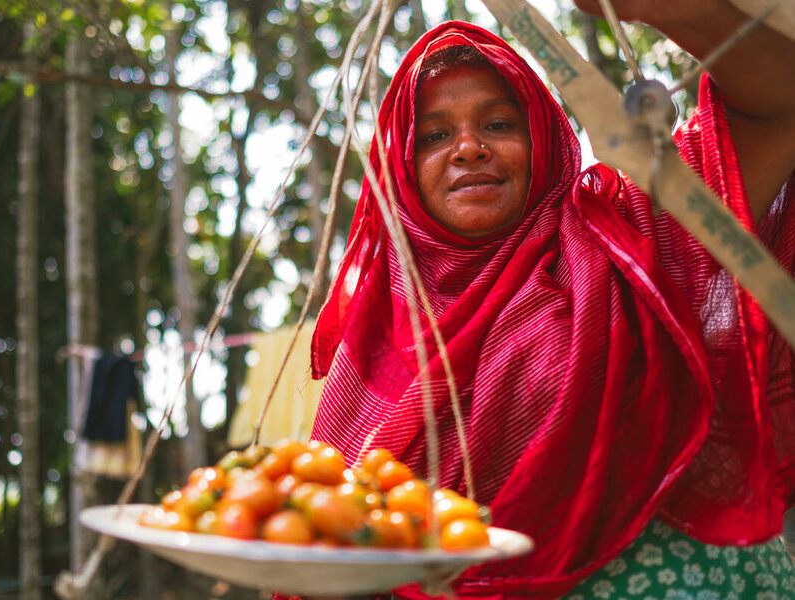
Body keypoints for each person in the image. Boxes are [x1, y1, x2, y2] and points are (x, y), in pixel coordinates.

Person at [307, 0, 795, 598]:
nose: (468, 149)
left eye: (498, 124)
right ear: (402, 167)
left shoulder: (630, 236)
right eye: (435, 135)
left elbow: (777, 102)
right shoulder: (370, 354)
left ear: (543, 136)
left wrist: (664, 9)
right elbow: (332, 541)